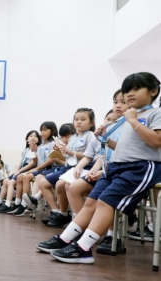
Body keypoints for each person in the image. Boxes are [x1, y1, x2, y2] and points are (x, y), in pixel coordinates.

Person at [36, 72, 161, 264]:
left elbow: (157, 141)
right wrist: (104, 139)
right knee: (91, 202)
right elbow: (123, 148)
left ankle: (84, 248)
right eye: (127, 90)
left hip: (140, 167)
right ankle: (65, 239)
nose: (129, 94)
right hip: (116, 166)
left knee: (105, 203)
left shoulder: (154, 113)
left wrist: (134, 121)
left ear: (153, 91)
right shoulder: (127, 117)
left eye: (135, 89)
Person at [0, 130, 41, 212]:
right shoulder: (26, 150)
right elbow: (21, 161)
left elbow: (33, 163)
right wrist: (16, 170)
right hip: (22, 168)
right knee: (5, 181)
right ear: (26, 139)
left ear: (38, 139)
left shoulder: (38, 149)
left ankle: (9, 204)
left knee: (10, 182)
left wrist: (20, 170)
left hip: (29, 169)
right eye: (31, 136)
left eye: (35, 136)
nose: (33, 138)